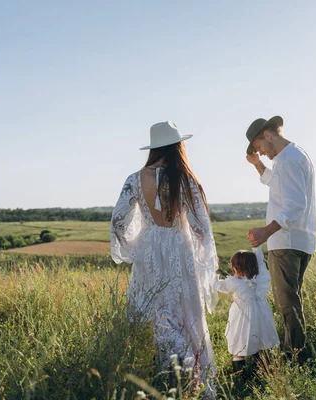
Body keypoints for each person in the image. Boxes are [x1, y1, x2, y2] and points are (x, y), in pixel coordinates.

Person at [110, 121, 218, 389]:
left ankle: (167, 372)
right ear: (177, 146)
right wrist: (199, 251)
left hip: (149, 246)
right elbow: (201, 227)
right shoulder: (186, 178)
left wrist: (136, 246)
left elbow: (118, 221)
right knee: (183, 310)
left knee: (156, 310)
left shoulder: (135, 179)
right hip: (179, 248)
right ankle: (188, 370)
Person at [244, 115, 316, 361]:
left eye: (259, 147)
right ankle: (294, 353)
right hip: (297, 240)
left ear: (267, 135)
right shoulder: (292, 157)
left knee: (288, 305)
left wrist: (266, 231)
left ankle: (295, 358)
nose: (261, 153)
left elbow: (295, 205)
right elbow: (277, 185)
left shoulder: (289, 161)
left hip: (286, 242)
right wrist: (257, 166)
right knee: (291, 302)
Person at [215, 247, 280, 375]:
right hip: (261, 314)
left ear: (235, 268)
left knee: (240, 343)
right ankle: (264, 369)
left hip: (242, 317)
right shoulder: (261, 279)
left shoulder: (235, 282)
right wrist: (257, 247)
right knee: (262, 340)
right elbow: (261, 263)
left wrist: (212, 271)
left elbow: (218, 285)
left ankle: (240, 375)